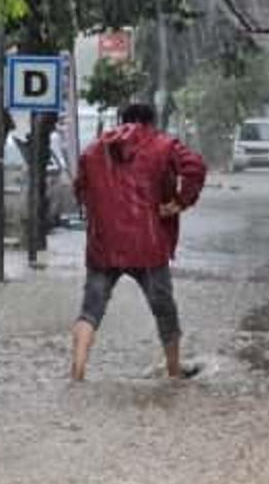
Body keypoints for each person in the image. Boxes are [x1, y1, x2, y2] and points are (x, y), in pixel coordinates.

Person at [70, 103, 207, 382]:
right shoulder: (163, 144)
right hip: (149, 242)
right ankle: (173, 371)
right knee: (164, 310)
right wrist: (180, 202)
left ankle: (77, 372)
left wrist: (100, 214)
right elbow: (195, 167)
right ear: (152, 121)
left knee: (90, 311)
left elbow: (80, 189)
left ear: (122, 119)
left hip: (103, 245)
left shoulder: (94, 150)